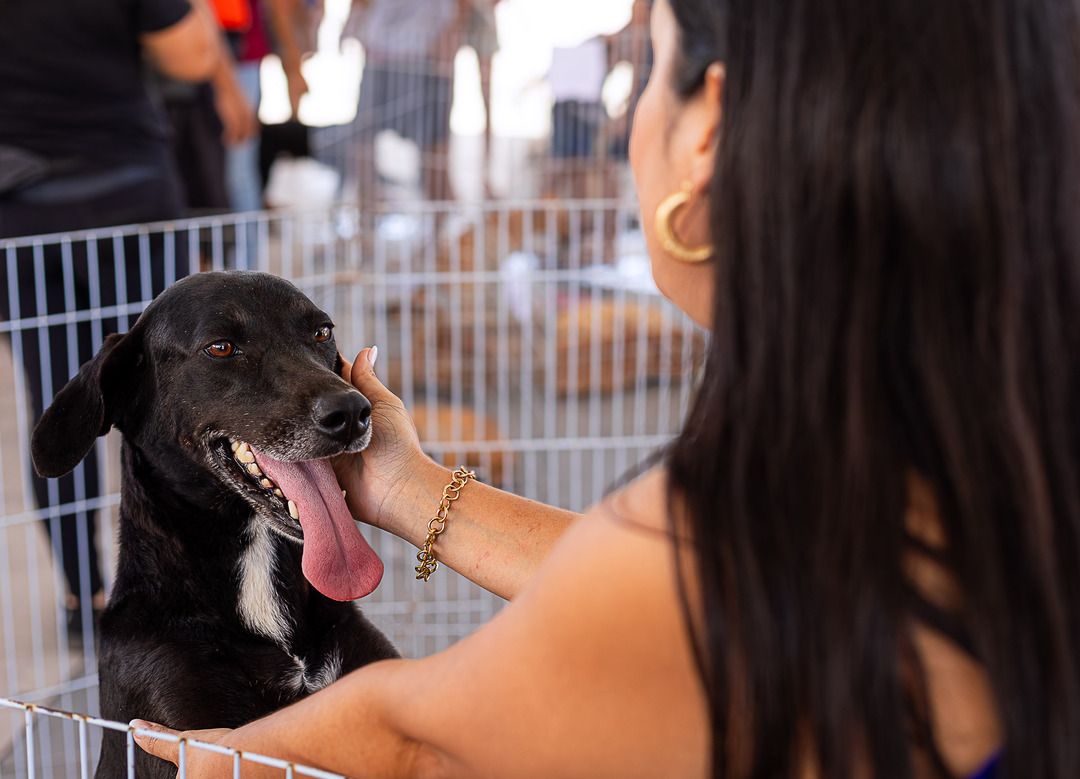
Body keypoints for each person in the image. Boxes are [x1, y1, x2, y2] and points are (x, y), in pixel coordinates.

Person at [132, 0, 1080, 775]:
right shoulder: (997, 449)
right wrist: (405, 485)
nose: (625, 123)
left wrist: (208, 756)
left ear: (710, 123)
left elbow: (420, 733)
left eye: (651, 62)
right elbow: (672, 590)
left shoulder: (735, 511)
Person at [0, 0, 220, 635]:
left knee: (57, 397)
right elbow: (193, 55)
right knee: (175, 390)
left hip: (20, 211)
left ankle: (85, 597)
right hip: (127, 199)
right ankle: (191, 582)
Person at [348, 0, 467, 205]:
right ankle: (364, 219)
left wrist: (449, 35)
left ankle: (440, 222)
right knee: (363, 142)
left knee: (434, 152)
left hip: (428, 56)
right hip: (380, 54)